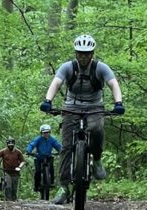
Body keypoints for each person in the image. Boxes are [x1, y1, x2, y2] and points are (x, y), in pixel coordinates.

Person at [39, 34, 125, 205]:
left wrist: (118, 102)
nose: (83, 57)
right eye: (80, 53)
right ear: (76, 53)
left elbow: (113, 83)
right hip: (71, 107)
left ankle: (97, 160)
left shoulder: (101, 68)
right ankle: (63, 187)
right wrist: (48, 100)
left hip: (94, 107)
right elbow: (56, 82)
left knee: (97, 129)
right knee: (65, 147)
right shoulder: (68, 67)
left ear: (92, 54)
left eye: (87, 54)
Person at [25, 124, 62, 194]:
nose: (46, 134)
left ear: (50, 132)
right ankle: (36, 186)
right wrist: (28, 151)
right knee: (37, 171)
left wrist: (61, 151)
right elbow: (31, 145)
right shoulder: (38, 139)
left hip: (48, 156)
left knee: (51, 168)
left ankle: (51, 182)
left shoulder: (52, 139)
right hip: (39, 157)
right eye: (44, 132)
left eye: (47, 132)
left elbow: (58, 145)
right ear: (41, 133)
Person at [0, 137, 26, 201]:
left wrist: (19, 167)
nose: (10, 146)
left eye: (12, 145)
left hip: (15, 173)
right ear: (7, 144)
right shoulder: (3, 151)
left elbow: (23, 161)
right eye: (9, 145)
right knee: (8, 187)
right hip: (6, 172)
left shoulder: (18, 152)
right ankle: (8, 201)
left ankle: (14, 200)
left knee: (14, 189)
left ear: (14, 144)